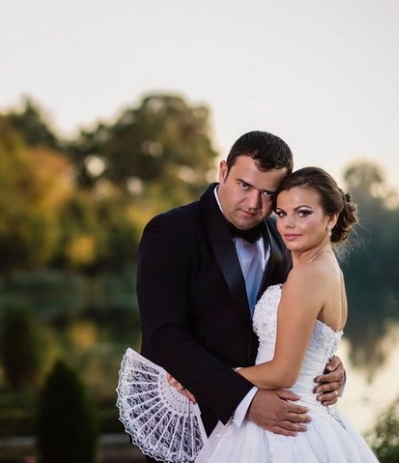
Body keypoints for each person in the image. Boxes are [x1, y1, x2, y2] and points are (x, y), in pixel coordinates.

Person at [136, 132, 346, 457]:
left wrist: (325, 366)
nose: (253, 204)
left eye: (267, 194)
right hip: (191, 412)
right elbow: (163, 335)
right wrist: (244, 399)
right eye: (244, 186)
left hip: (267, 428)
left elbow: (293, 324)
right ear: (223, 172)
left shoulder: (284, 243)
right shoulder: (171, 231)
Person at [194, 167, 377, 461]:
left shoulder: (308, 275)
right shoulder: (327, 269)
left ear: (331, 218)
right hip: (312, 417)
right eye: (281, 213)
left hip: (285, 423)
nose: (288, 224)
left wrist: (212, 379)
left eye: (303, 213)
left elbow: (283, 372)